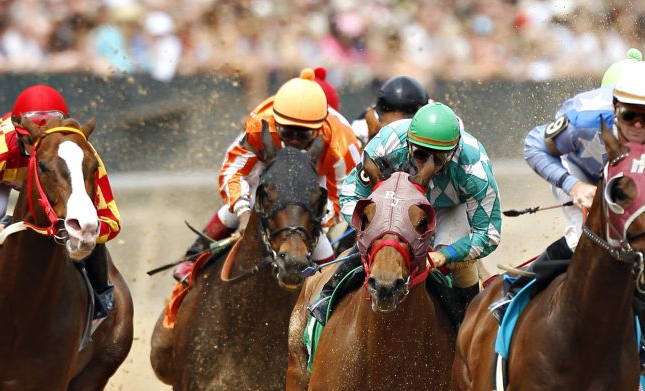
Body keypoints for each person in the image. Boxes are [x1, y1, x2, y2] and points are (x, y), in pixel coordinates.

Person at [522, 58, 645, 378]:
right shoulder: (583, 121)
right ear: (614, 107)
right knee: (581, 237)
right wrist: (574, 186)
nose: (638, 127)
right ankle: (520, 290)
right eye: (629, 116)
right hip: (585, 173)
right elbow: (533, 144)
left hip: (642, 182)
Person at [310, 101, 501, 326]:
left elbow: (488, 235)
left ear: (454, 151)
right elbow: (351, 195)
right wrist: (371, 228)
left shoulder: (475, 169)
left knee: (459, 259)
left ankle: (465, 322)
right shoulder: (386, 144)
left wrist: (446, 255)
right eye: (420, 155)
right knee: (381, 239)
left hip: (450, 208)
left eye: (438, 159)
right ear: (408, 143)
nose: (427, 164)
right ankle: (327, 296)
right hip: (395, 200)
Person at [0, 84, 120, 319]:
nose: (39, 151)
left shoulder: (82, 155)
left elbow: (111, 220)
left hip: (54, 177)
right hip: (7, 177)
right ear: (18, 134)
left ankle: (100, 291)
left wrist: (88, 230)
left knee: (86, 216)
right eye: (31, 144)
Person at [181, 69, 360, 265]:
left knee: (320, 243)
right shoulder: (260, 123)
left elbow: (342, 197)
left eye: (303, 135)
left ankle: (325, 291)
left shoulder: (342, 144)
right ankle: (192, 260)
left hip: (317, 176)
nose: (293, 141)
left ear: (320, 128)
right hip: (270, 164)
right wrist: (243, 212)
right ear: (277, 122)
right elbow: (233, 171)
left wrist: (313, 225)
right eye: (287, 132)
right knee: (234, 209)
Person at [351, 75, 430, 147]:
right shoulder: (362, 127)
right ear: (380, 119)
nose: (395, 135)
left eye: (401, 128)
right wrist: (373, 139)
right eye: (390, 128)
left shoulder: (431, 119)